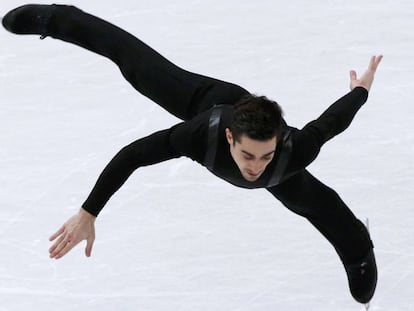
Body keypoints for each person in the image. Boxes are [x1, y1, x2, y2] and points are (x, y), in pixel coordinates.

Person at [2, 4, 383, 305]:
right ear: (231, 138)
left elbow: (331, 122)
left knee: (321, 206)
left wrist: (360, 91)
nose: (255, 168)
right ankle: (58, 18)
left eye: (264, 156)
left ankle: (360, 252)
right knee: (134, 64)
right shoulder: (202, 135)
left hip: (263, 133)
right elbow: (133, 155)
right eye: (249, 156)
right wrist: (88, 211)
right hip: (207, 99)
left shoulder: (293, 151)